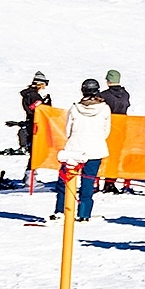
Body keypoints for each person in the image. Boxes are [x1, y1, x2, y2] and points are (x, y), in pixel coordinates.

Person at [52, 78, 110, 222]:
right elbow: (106, 131)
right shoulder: (105, 108)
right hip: (95, 149)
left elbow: (68, 130)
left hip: (74, 149)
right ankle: (84, 213)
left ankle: (61, 211)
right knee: (88, 182)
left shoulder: (74, 108)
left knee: (65, 181)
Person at [98, 69, 130, 194]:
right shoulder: (126, 94)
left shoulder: (104, 95)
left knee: (101, 155)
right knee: (115, 157)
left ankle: (96, 180)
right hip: (121, 129)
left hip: (106, 129)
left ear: (108, 81)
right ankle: (111, 181)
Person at [17, 71, 50, 154]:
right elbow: (39, 110)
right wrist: (46, 102)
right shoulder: (33, 95)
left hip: (32, 119)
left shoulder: (29, 94)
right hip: (36, 120)